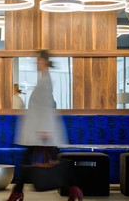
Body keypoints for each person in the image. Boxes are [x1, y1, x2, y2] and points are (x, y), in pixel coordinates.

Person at [6, 51, 83, 201]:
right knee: (46, 162)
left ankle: (17, 192)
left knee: (29, 161)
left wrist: (44, 130)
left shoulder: (46, 81)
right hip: (39, 130)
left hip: (41, 132)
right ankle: (74, 188)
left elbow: (47, 106)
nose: (36, 63)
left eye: (39, 61)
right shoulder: (43, 80)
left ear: (45, 62)